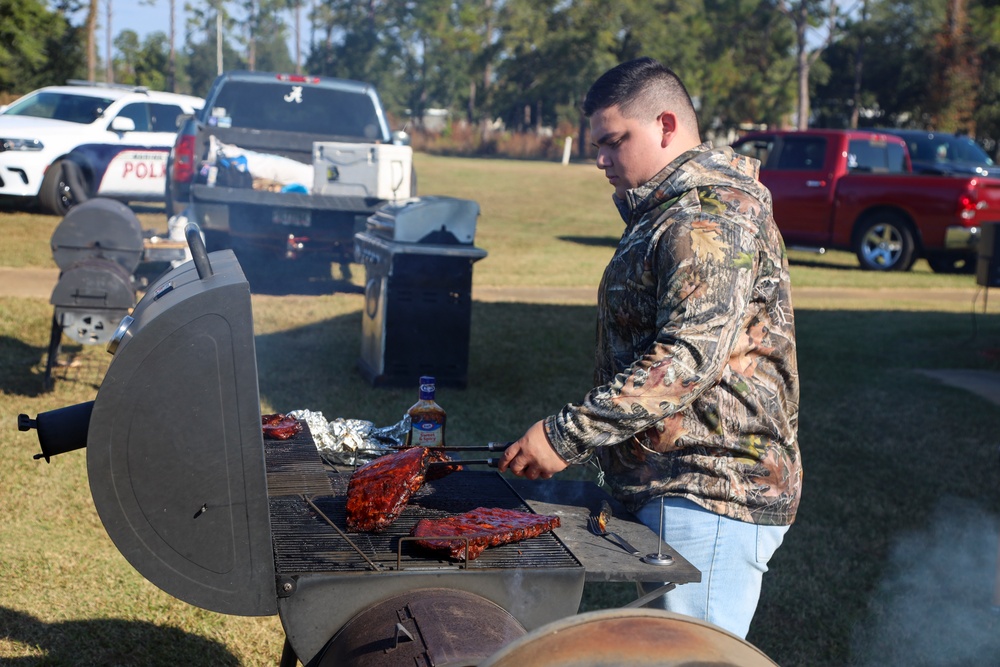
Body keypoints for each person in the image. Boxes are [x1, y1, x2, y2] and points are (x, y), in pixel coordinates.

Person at [497, 57, 802, 639]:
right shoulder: (666, 210)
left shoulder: (709, 215)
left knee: (687, 656)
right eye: (597, 145)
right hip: (672, 484)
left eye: (614, 141)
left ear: (666, 125)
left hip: (712, 489)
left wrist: (565, 436)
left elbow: (685, 361)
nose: (600, 159)